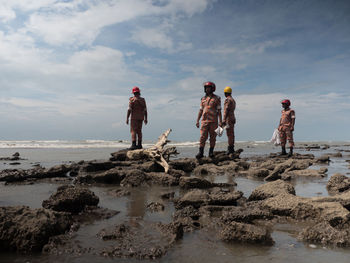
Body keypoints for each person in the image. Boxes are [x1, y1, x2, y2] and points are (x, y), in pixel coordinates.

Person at [196, 81, 222, 158]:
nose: (207, 89)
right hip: (204, 121)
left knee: (213, 137)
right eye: (206, 88)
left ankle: (211, 152)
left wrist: (220, 121)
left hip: (213, 121)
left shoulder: (217, 98)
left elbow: (219, 111)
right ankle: (201, 152)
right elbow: (200, 110)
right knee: (202, 137)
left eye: (209, 88)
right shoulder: (203, 99)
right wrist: (197, 120)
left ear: (212, 89)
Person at [222, 86, 236, 154]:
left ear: (225, 93)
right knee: (232, 134)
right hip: (232, 118)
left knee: (229, 134)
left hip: (228, 119)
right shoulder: (233, 100)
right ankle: (232, 148)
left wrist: (224, 119)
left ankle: (230, 149)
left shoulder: (228, 100)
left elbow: (226, 110)